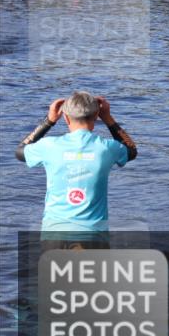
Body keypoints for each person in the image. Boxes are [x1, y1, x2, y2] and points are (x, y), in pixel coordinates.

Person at [15, 92, 138, 240]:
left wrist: (49, 121)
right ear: (96, 116)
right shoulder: (107, 148)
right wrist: (107, 118)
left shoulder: (49, 146)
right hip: (94, 235)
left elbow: (20, 151)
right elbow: (131, 150)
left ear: (66, 118)